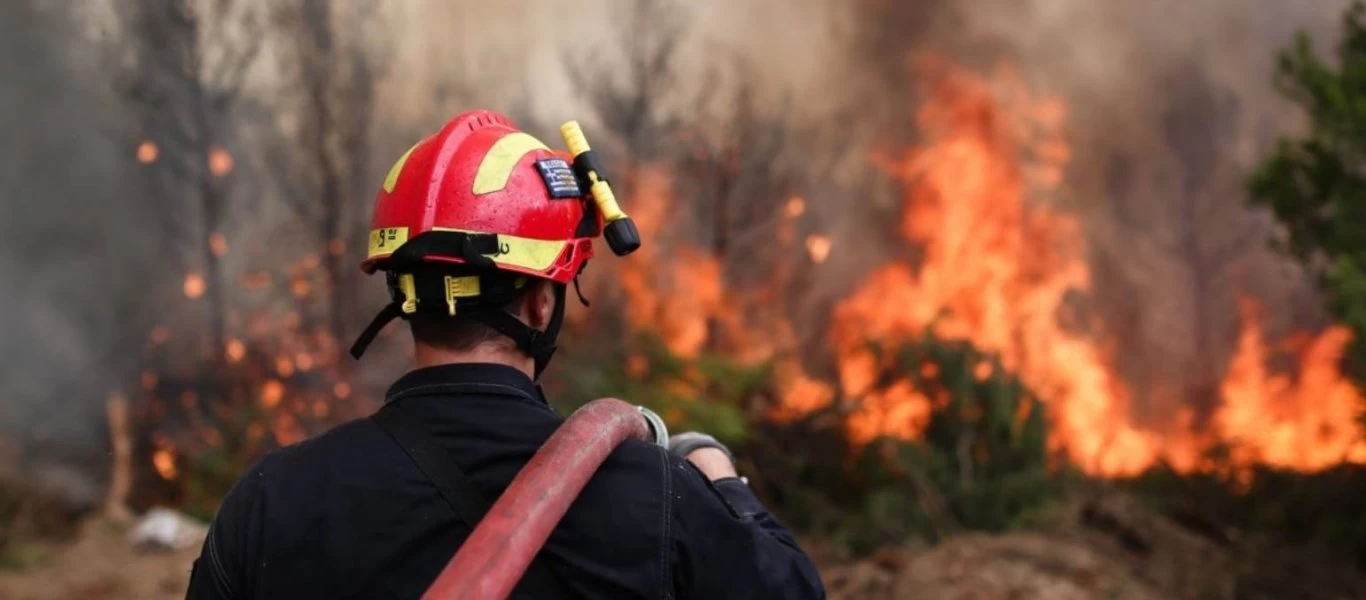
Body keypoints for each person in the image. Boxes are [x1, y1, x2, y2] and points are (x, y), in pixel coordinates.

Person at [185, 110, 826, 599]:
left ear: (402, 292)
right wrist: (719, 477)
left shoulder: (274, 501)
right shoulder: (655, 499)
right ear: (542, 303)